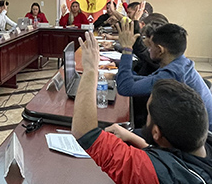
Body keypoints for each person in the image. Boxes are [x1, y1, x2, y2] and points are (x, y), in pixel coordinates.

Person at [72, 31, 212, 184]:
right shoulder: (203, 142)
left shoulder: (156, 174)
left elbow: (85, 133)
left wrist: (90, 68)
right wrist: (132, 137)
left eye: (148, 115)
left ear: (156, 133)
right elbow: (173, 157)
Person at [116, 20, 212, 130]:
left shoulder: (174, 74)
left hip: (199, 139)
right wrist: (115, 76)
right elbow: (150, 79)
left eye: (150, 47)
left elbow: (125, 88)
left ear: (160, 50)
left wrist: (127, 50)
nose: (148, 50)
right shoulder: (181, 63)